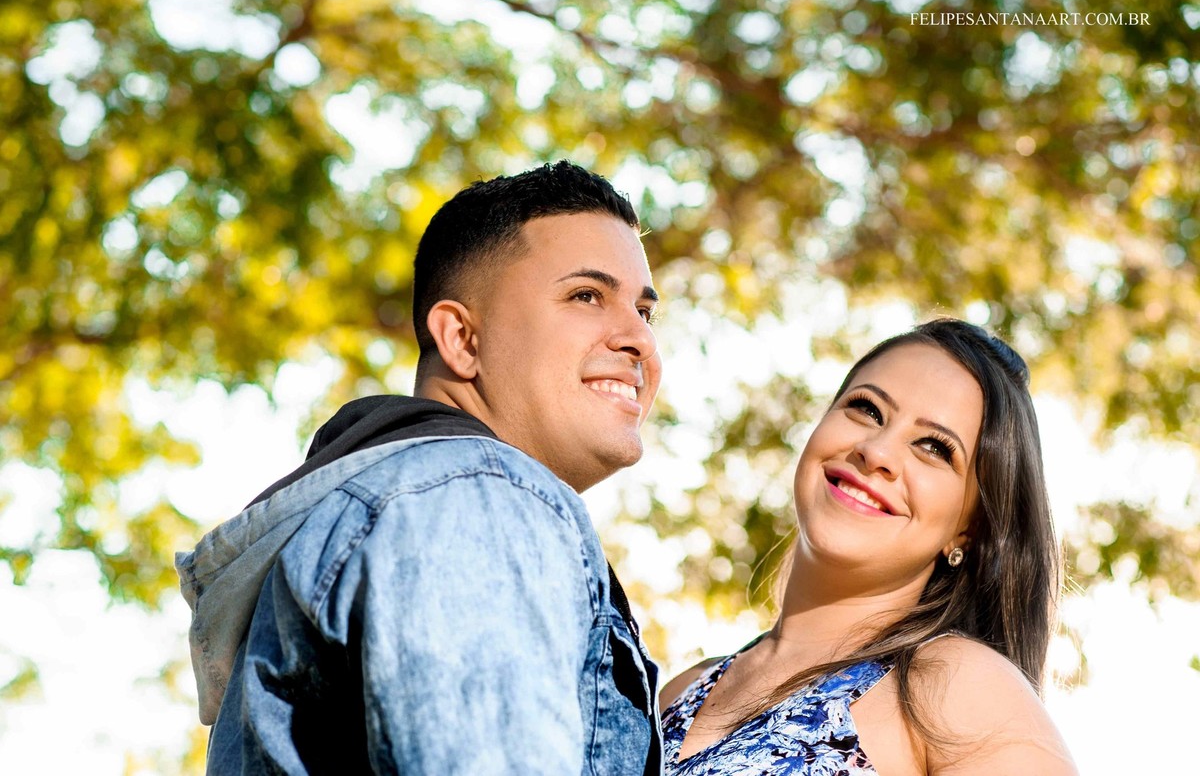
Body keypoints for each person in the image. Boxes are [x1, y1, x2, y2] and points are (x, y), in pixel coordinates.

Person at [176, 161, 664, 774]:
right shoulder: (476, 495)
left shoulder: (396, 504)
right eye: (586, 296)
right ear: (460, 339)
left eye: (646, 313)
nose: (638, 341)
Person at [659, 319, 1078, 775]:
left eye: (934, 447)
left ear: (968, 531)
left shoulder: (957, 686)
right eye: (867, 409)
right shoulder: (679, 691)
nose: (876, 451)